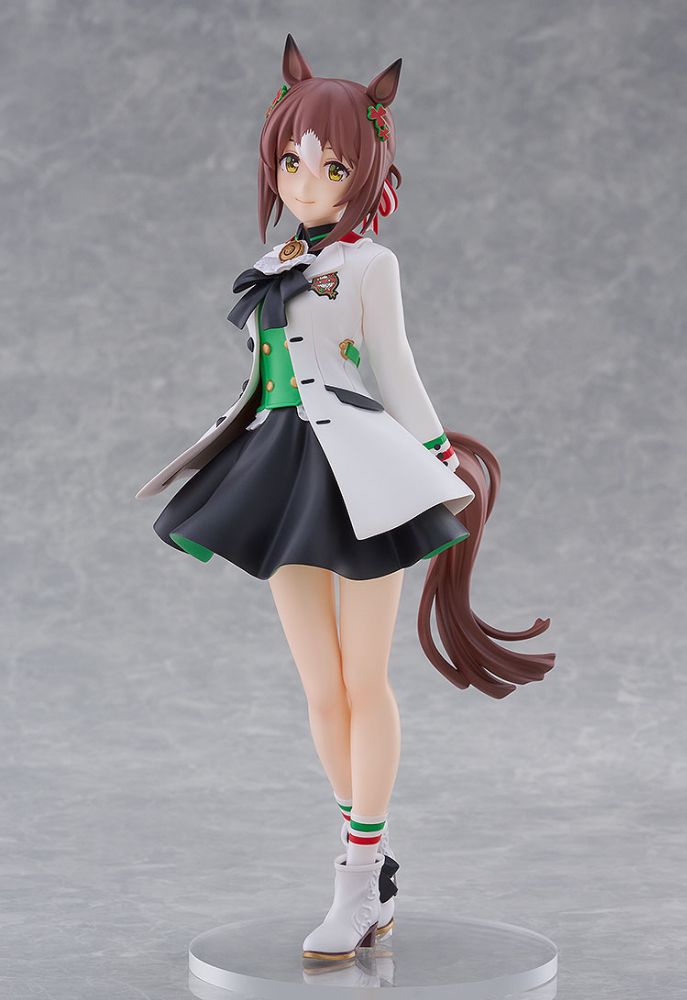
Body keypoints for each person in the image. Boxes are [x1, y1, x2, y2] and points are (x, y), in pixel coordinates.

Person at [135, 34, 556, 964]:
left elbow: (393, 368)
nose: (307, 182)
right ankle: (370, 854)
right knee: (319, 686)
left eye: (330, 166)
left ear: (364, 168)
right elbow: (264, 374)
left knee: (364, 679)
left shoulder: (371, 265)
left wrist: (437, 458)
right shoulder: (275, 254)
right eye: (291, 162)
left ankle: (358, 880)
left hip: (362, 472)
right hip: (277, 469)